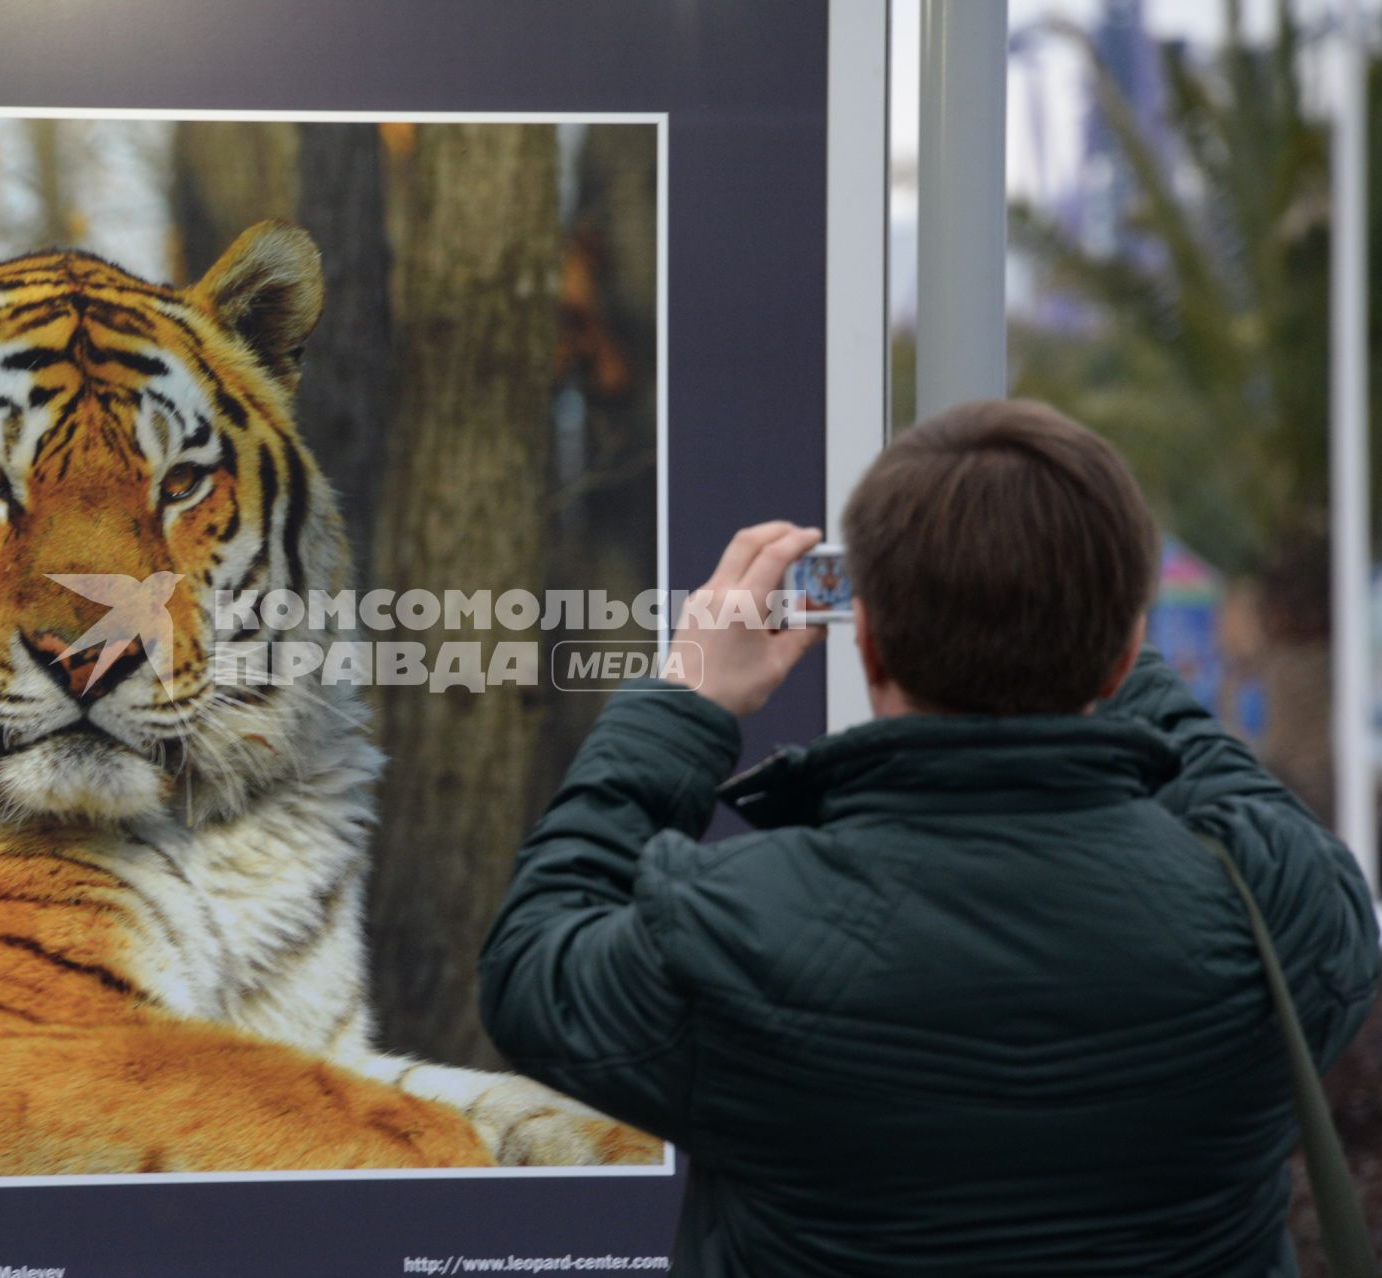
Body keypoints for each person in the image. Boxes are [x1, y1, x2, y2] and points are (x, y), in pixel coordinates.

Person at [478, 399, 1380, 1276]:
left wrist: (686, 695)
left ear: (866, 644)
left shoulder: (731, 926)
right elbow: (1239, 799)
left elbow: (530, 965)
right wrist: (1084, 627)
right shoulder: (1278, 908)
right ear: (1125, 652)